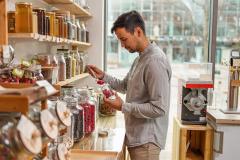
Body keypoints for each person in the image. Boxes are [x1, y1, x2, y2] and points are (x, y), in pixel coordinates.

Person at [87, 10, 171, 160]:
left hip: (147, 142)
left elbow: (159, 108)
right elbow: (125, 85)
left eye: (124, 39)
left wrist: (123, 106)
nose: (122, 45)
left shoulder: (154, 62)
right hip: (136, 136)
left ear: (138, 31)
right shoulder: (140, 59)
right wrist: (103, 76)